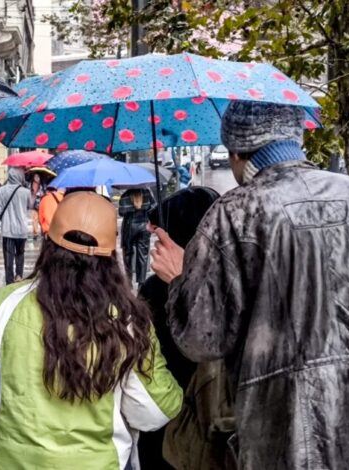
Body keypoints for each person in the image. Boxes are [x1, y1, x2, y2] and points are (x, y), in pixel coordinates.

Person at [150, 101, 349, 469]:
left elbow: (201, 340)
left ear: (236, 152)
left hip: (282, 433)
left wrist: (181, 279)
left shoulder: (234, 213)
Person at [0, 192, 182, 470]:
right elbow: (154, 412)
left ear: (49, 243)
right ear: (111, 254)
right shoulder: (127, 320)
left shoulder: (2, 304)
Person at [135, 186, 231, 470]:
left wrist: (182, 282)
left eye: (162, 237)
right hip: (167, 426)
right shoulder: (153, 289)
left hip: (200, 425)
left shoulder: (228, 290)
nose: (156, 245)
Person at [0, 167, 30, 284]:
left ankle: (9, 281)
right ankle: (19, 275)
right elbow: (30, 206)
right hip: (22, 229)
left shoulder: (1, 191)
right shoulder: (26, 192)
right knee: (20, 253)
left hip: (8, 229)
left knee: (8, 257)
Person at [119, 188, 156, 285]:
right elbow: (154, 207)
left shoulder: (125, 195)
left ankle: (129, 282)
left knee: (128, 253)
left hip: (129, 227)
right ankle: (141, 283)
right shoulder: (147, 193)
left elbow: (121, 212)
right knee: (143, 255)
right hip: (144, 226)